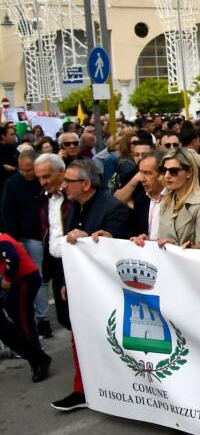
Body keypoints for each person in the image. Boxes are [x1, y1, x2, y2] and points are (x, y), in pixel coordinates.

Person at [52, 159, 130, 412]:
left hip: (109, 290)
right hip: (83, 287)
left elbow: (117, 247)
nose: (64, 186)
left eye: (69, 181)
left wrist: (97, 240)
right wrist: (67, 280)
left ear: (85, 184)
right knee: (81, 336)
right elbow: (73, 251)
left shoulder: (113, 208)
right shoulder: (74, 207)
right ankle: (82, 389)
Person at [1, 149, 51, 337]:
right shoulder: (13, 183)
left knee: (42, 279)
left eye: (29, 170)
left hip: (47, 235)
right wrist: (14, 240)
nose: (26, 174)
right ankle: (41, 319)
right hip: (29, 238)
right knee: (37, 279)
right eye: (22, 170)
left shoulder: (43, 180)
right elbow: (7, 212)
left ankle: (41, 318)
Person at [0, 228, 51, 382]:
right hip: (21, 280)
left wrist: (7, 280)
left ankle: (37, 356)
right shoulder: (4, 239)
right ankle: (35, 355)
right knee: (16, 316)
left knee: (22, 321)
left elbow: (12, 260)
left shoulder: (3, 241)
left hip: (23, 280)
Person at [152, 149, 200, 249]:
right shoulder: (165, 202)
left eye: (173, 171)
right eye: (164, 170)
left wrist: (175, 248)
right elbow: (161, 241)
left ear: (189, 172)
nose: (167, 176)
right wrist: (147, 242)